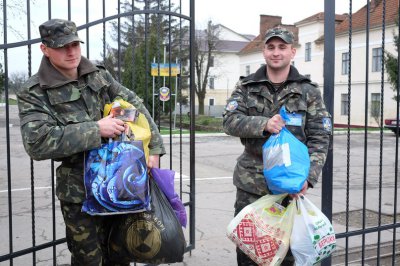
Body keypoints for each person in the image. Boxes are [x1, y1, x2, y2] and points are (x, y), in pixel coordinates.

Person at [15, 18, 166, 265]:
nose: (71, 51)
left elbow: (135, 105)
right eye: (63, 46)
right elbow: (37, 142)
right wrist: (96, 129)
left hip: (119, 183)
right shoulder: (35, 91)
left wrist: (155, 149)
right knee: (89, 260)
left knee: (120, 254)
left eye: (75, 44)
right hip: (80, 194)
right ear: (45, 48)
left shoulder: (98, 75)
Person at [223, 27, 332, 266]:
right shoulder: (246, 87)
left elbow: (320, 138)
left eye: (282, 47)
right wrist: (264, 124)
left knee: (285, 256)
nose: (276, 53)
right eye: (271, 47)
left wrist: (309, 178)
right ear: (264, 51)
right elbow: (229, 121)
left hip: (289, 189)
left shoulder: (308, 92)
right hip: (251, 187)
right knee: (249, 255)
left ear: (292, 51)